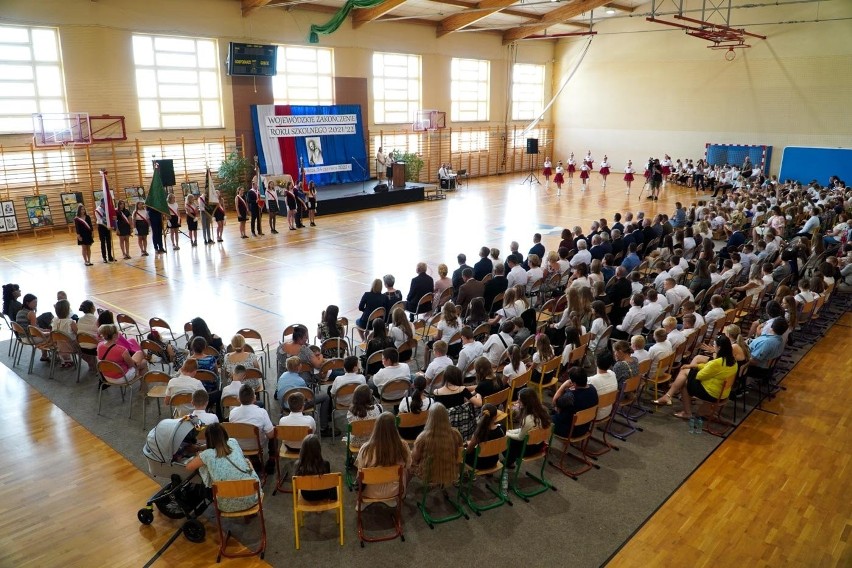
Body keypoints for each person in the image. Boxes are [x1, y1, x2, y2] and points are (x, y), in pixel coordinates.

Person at [654, 334, 738, 419]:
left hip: (712, 393)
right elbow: (710, 368)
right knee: (686, 373)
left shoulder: (717, 362)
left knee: (684, 382)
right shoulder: (733, 360)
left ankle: (684, 410)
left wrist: (693, 369)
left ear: (719, 348)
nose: (713, 346)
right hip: (723, 392)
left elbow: (699, 376)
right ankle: (669, 395)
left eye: (714, 345)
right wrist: (693, 366)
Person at [185, 423, 261, 512]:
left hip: (226, 506)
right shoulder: (233, 442)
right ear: (225, 433)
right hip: (252, 499)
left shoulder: (207, 455)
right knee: (247, 462)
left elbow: (188, 467)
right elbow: (221, 444)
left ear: (208, 439)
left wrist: (198, 452)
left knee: (206, 480)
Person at [356, 411, 411, 500]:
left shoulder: (366, 449)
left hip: (369, 491)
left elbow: (360, 471)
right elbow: (408, 465)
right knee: (405, 470)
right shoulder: (403, 446)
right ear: (394, 427)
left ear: (376, 427)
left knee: (360, 472)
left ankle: (360, 502)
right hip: (395, 490)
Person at [411, 403, 463, 486]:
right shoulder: (456, 434)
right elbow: (459, 456)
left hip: (428, 476)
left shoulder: (422, 437)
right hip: (451, 473)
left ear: (430, 418)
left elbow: (415, 458)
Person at [230, 384, 276, 473]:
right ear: (254, 398)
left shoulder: (232, 413)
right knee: (274, 429)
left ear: (238, 399)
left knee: (247, 434)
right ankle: (271, 460)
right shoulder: (261, 412)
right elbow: (271, 435)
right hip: (257, 444)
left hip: (239, 445)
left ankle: (255, 461)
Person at [506, 388, 551, 466]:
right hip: (539, 443)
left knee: (508, 441)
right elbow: (525, 430)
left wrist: (507, 434)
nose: (517, 401)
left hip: (528, 449)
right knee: (510, 435)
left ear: (526, 402)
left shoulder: (528, 419)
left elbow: (520, 437)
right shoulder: (543, 410)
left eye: (519, 400)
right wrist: (510, 431)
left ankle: (509, 462)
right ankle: (510, 460)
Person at [551, 367, 598, 438]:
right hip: (584, 428)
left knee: (544, 416)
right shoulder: (593, 389)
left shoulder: (570, 396)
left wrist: (563, 386)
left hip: (569, 430)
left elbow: (554, 402)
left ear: (574, 383)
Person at [293, 435, 336, 501]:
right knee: (332, 480)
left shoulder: (298, 465)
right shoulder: (325, 464)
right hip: (323, 494)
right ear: (318, 449)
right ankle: (332, 498)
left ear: (302, 449)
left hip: (306, 496)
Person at [465, 404, 505, 469]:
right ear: (495, 417)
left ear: (481, 415)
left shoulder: (480, 433)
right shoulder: (502, 428)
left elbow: (468, 451)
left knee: (461, 452)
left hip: (479, 463)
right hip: (493, 461)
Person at [588, 351, 618, 421]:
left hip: (593, 415)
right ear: (610, 365)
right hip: (608, 412)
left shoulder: (591, 380)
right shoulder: (612, 374)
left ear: (596, 362)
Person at [51, 299, 78, 367]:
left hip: (58, 346)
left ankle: (66, 360)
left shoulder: (54, 321)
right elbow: (78, 334)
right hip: (70, 347)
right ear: (68, 310)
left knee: (62, 339)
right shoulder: (70, 322)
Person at [95, 198, 115, 263]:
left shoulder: (107, 209)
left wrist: (111, 225)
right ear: (101, 203)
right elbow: (100, 220)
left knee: (109, 242)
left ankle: (110, 256)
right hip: (101, 227)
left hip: (107, 227)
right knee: (103, 242)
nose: (105, 205)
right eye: (104, 203)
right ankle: (104, 258)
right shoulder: (98, 210)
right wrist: (107, 226)